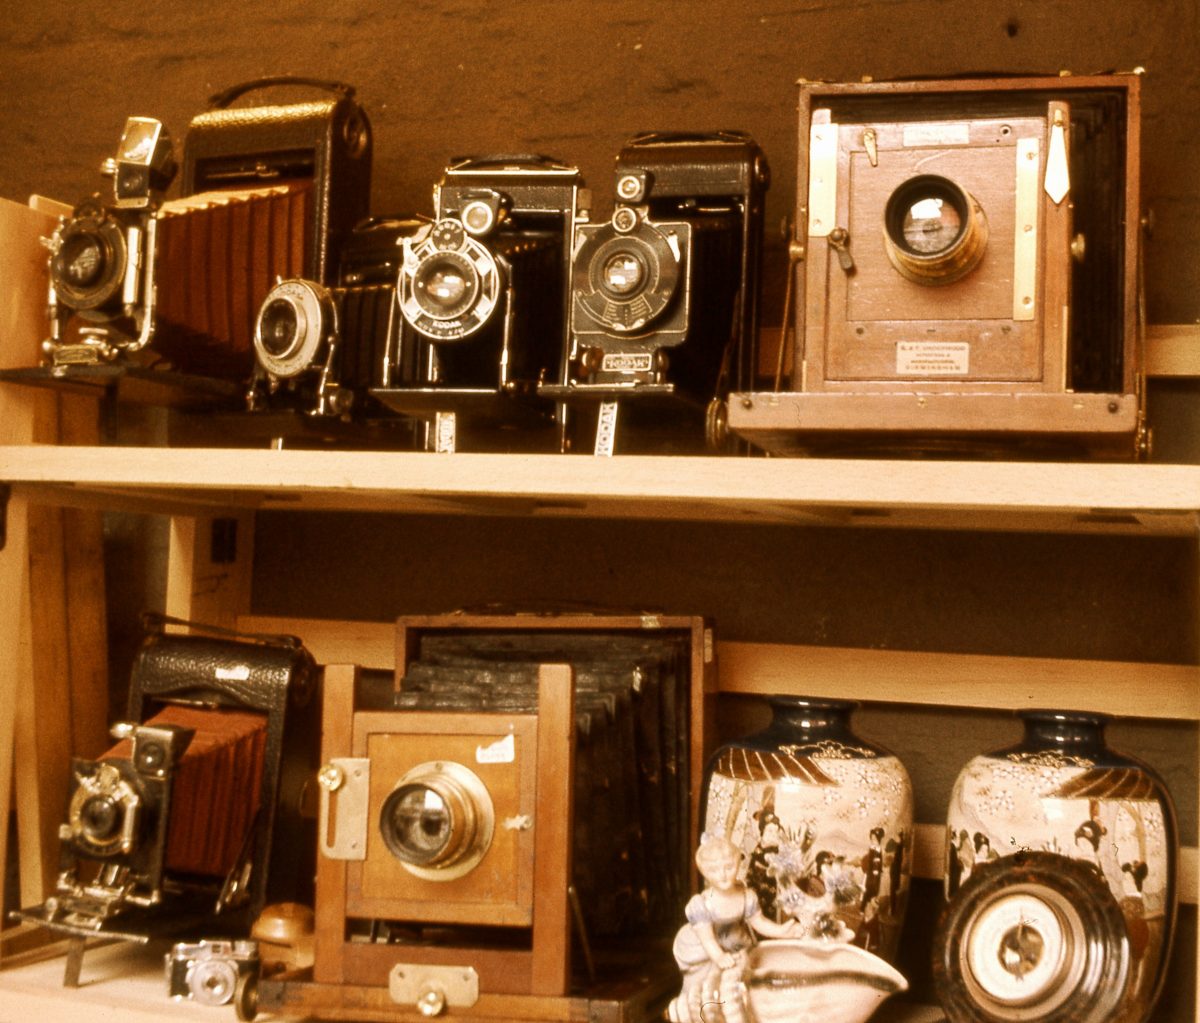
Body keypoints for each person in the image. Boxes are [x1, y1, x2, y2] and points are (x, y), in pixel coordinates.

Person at [668, 835, 798, 1023]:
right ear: (704, 872)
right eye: (714, 870)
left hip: (734, 941)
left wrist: (783, 932)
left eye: (728, 867)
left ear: (737, 865)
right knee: (702, 987)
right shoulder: (702, 904)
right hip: (704, 948)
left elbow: (759, 922)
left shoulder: (746, 896)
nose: (722, 875)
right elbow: (707, 939)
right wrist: (719, 957)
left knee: (737, 984)